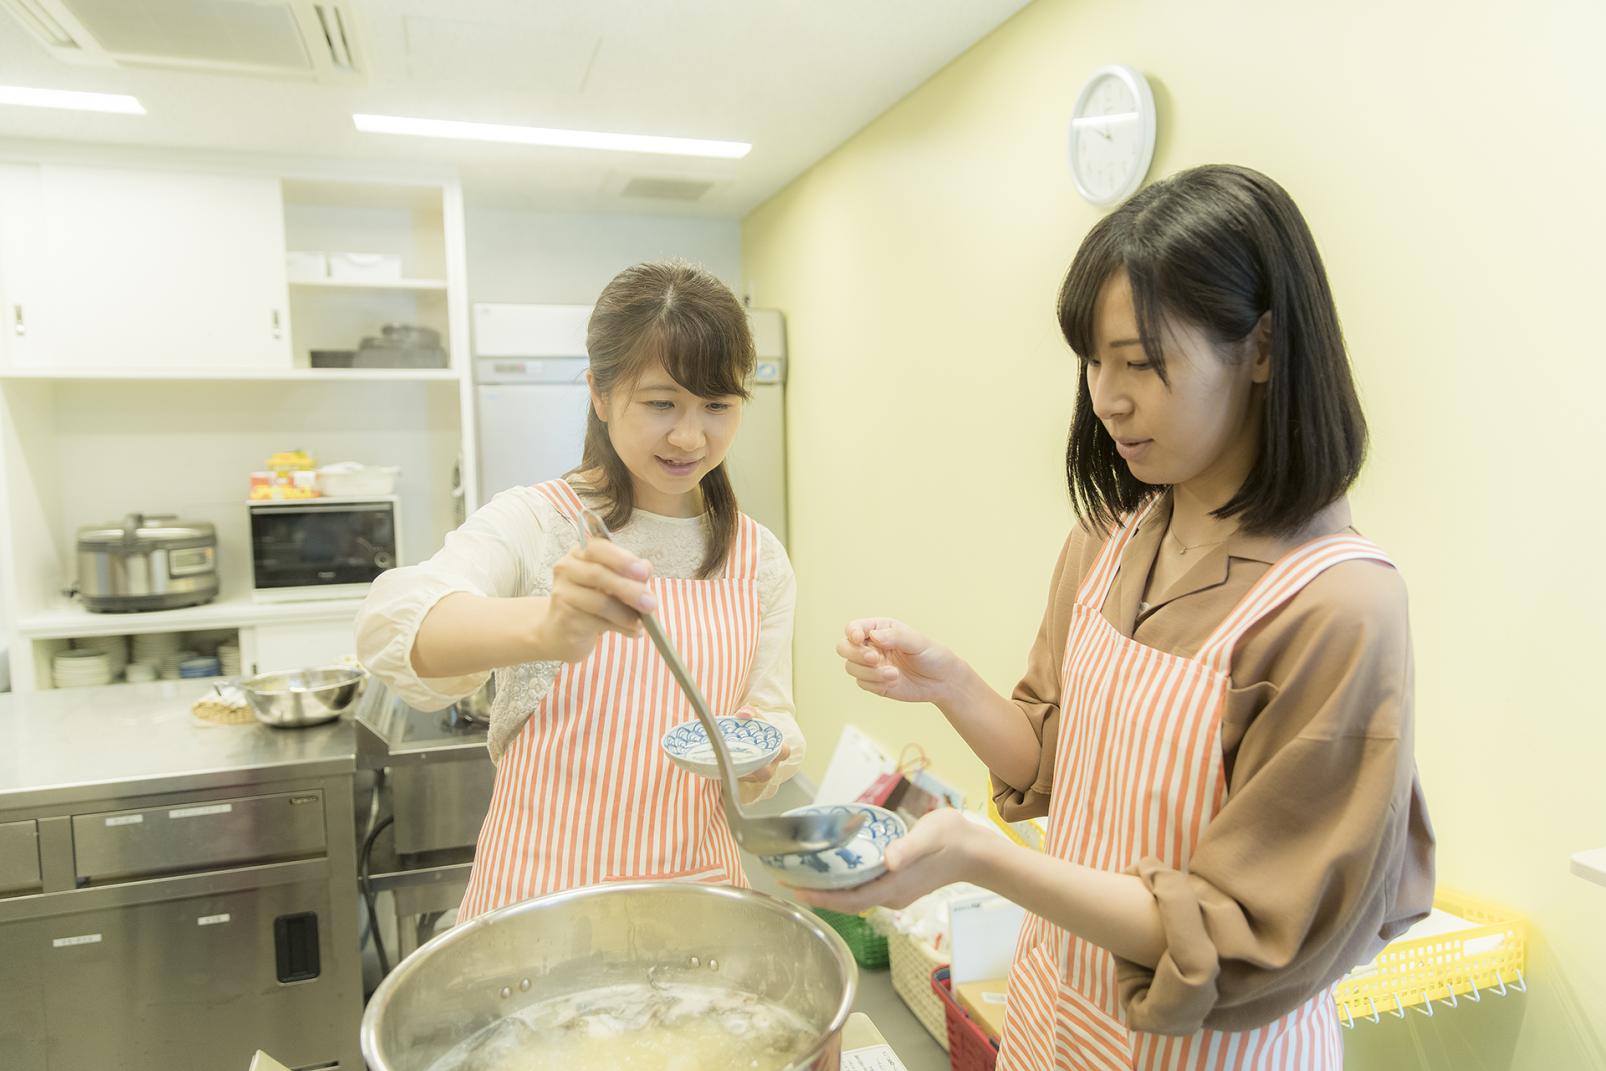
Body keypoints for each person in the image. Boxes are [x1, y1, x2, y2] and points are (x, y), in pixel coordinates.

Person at [802, 165, 1434, 1068]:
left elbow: (1239, 933)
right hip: (1054, 1016)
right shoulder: (1110, 536)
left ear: (1261, 347)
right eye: (1094, 361)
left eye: (1139, 362)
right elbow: (1052, 763)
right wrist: (950, 683)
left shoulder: (1339, 606)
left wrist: (986, 859)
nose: (1106, 397)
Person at [356, 260, 803, 921]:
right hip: (540, 905)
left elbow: (771, 713)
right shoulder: (538, 522)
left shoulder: (757, 558)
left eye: (717, 405)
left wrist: (762, 753)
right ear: (599, 392)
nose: (690, 436)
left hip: (696, 900)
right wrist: (546, 627)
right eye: (661, 403)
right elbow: (397, 623)